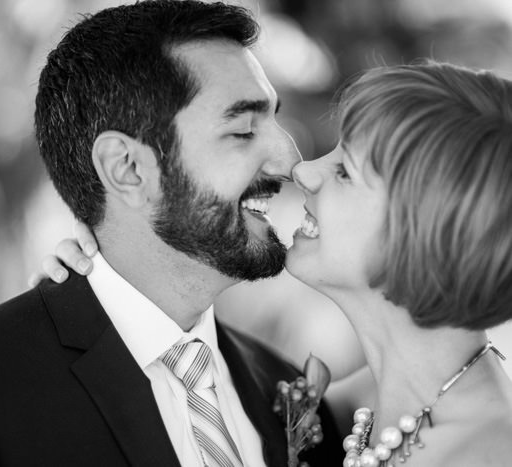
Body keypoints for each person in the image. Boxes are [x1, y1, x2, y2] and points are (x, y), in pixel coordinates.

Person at [0, 1, 342, 466]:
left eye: (274, 119)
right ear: (127, 168)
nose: (290, 160)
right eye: (242, 129)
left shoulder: (286, 390)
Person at [41, 61, 512, 466]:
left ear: (425, 229)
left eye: (345, 172)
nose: (303, 171)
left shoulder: (490, 450)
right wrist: (105, 291)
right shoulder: (339, 407)